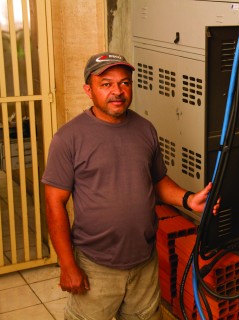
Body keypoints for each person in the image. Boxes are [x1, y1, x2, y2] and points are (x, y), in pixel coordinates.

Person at [42, 52, 216, 320]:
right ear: (88, 90)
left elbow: (157, 182)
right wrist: (67, 265)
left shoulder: (145, 129)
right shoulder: (69, 138)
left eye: (124, 83)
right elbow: (54, 203)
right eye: (106, 84)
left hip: (144, 262)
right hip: (96, 266)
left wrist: (188, 199)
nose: (118, 91)